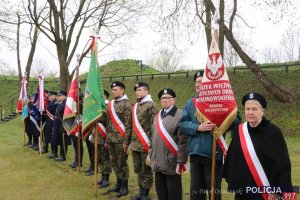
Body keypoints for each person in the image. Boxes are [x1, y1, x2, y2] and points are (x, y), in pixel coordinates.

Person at [223, 92, 293, 200]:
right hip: (243, 190)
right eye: (247, 109)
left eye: (254, 109)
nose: (250, 112)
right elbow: (234, 159)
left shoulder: (273, 132)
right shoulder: (239, 130)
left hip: (264, 192)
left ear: (262, 111)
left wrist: (276, 191)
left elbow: (281, 164)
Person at [179, 71, 222, 200]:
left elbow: (235, 119)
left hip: (212, 154)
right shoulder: (190, 103)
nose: (197, 85)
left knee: (213, 191)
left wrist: (220, 119)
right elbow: (182, 124)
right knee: (196, 192)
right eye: (196, 82)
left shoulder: (220, 101)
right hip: (195, 154)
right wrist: (198, 127)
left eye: (201, 82)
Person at [150, 88, 188, 200]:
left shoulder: (180, 115)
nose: (165, 100)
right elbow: (153, 136)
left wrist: (181, 161)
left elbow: (183, 141)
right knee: (160, 190)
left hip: (172, 161)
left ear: (174, 100)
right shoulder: (157, 116)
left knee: (173, 191)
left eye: (168, 98)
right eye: (163, 98)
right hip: (157, 161)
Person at [131, 82, 157, 200]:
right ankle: (140, 191)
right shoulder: (136, 105)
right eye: (136, 90)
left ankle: (145, 193)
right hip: (135, 145)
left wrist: (151, 144)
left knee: (146, 170)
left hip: (145, 144)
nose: (137, 92)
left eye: (140, 90)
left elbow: (154, 126)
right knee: (138, 170)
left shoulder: (151, 105)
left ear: (147, 91)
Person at [106, 81, 132, 197]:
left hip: (121, 140)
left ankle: (124, 186)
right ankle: (118, 183)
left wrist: (126, 141)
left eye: (116, 89)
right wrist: (107, 138)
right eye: (113, 90)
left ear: (122, 90)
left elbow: (128, 124)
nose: (113, 91)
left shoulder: (127, 104)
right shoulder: (111, 104)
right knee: (114, 162)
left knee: (122, 163)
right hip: (111, 139)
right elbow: (108, 122)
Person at [52, 90, 71, 161]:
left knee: (63, 140)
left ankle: (63, 156)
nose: (58, 97)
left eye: (60, 96)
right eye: (58, 96)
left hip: (63, 124)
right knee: (60, 139)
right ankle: (61, 154)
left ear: (65, 96)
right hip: (58, 124)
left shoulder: (66, 104)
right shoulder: (61, 103)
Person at [44, 91, 58, 157]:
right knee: (50, 137)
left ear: (54, 96)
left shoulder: (56, 103)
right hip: (49, 122)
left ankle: (54, 152)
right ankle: (52, 152)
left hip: (53, 122)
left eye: (50, 96)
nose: (49, 97)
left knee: (53, 138)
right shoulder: (50, 103)